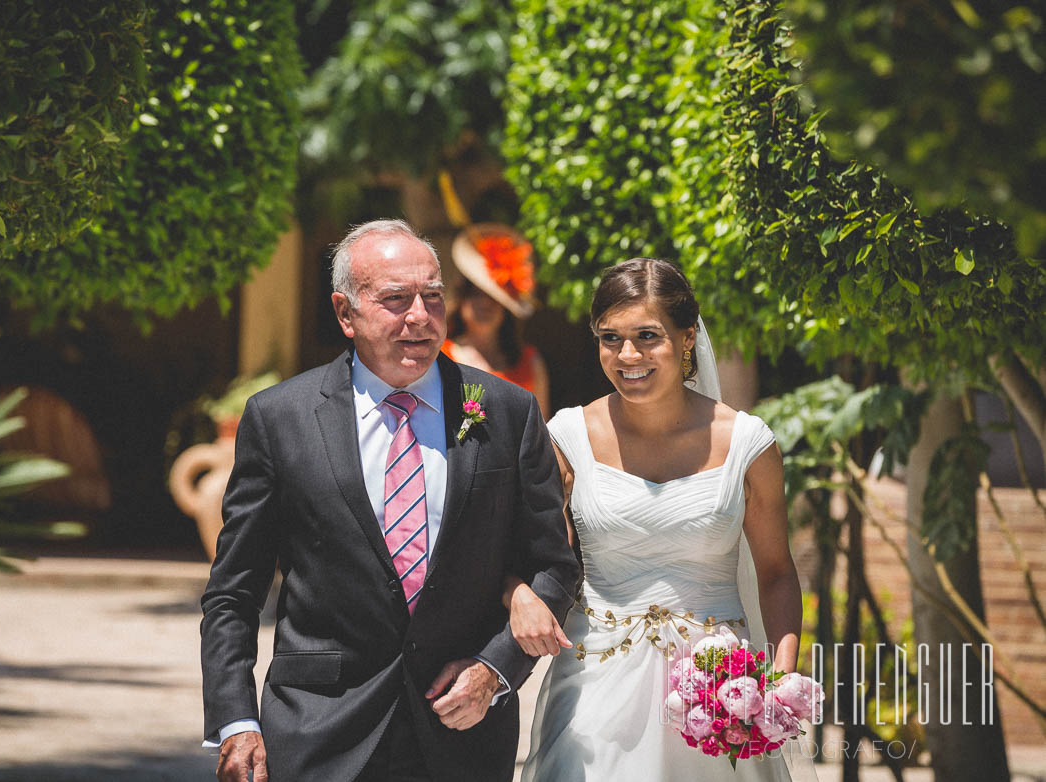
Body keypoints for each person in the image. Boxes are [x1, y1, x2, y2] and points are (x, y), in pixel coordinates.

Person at [200, 219, 581, 782]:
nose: (420, 317)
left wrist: (495, 671)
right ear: (344, 313)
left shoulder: (505, 410)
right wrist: (236, 719)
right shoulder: (280, 418)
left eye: (432, 297)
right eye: (396, 300)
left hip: (460, 737)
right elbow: (234, 591)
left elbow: (554, 564)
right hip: (318, 731)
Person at [506, 258, 804, 781]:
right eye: (610, 337)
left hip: (719, 692)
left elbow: (777, 572)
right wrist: (519, 594)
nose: (628, 355)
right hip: (595, 687)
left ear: (688, 338)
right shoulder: (568, 437)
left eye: (648, 336)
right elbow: (517, 549)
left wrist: (779, 678)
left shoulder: (749, 444)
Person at [442, 223, 551, 418]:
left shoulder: (530, 362)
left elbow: (541, 433)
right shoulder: (439, 357)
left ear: (505, 307)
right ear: (462, 299)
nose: (484, 303)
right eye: (475, 293)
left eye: (493, 296)